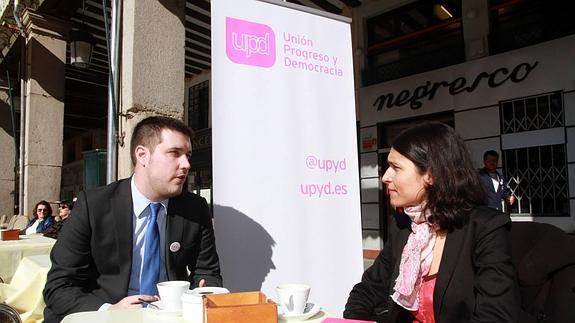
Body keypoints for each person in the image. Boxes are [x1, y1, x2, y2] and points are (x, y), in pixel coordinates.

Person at [43, 116, 222, 322]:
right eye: (175, 153)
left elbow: (207, 272)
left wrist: (204, 288)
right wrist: (109, 310)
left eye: (188, 155)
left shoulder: (194, 208)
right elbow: (59, 286)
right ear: (142, 155)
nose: (186, 164)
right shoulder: (93, 206)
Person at [344, 122, 519, 323]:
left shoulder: (486, 228)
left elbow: (496, 315)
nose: (385, 177)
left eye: (396, 168)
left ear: (431, 175)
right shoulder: (403, 225)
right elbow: (367, 290)